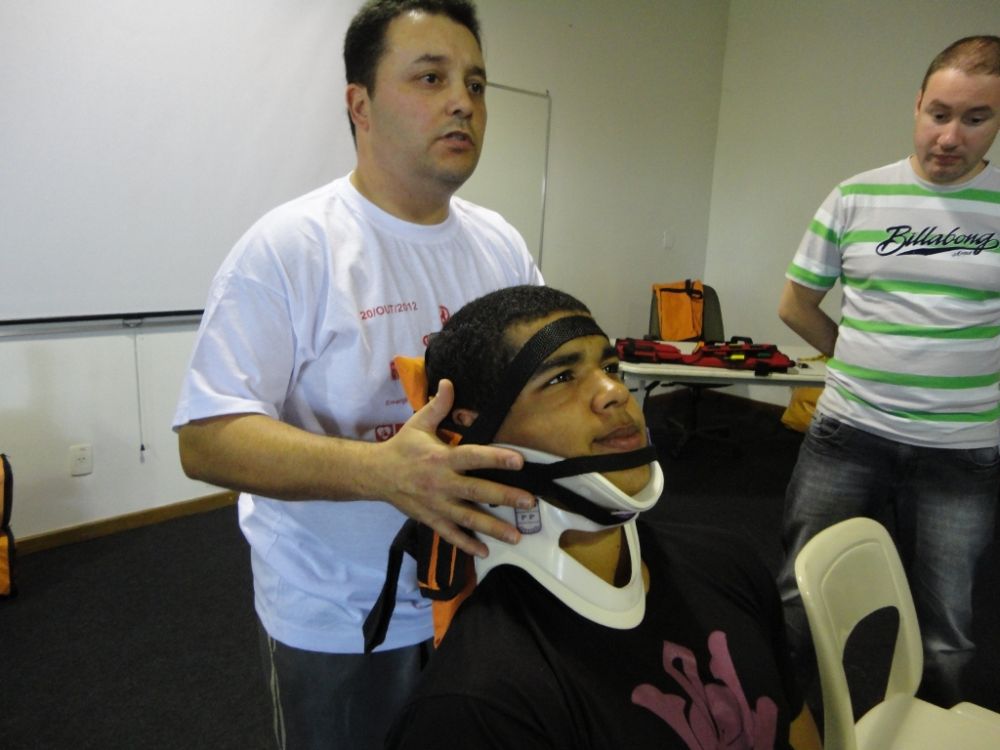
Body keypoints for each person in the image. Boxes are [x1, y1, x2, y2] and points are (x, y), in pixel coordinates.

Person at [171, 1, 543, 748]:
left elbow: (542, 383)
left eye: (475, 84)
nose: (463, 102)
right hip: (339, 617)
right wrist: (382, 473)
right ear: (360, 104)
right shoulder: (289, 249)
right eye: (431, 78)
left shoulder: (500, 245)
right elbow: (206, 438)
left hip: (487, 586)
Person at [385, 285, 821, 750]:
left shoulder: (731, 563)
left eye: (610, 368)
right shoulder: (477, 704)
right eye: (560, 378)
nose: (615, 392)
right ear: (474, 429)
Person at [776, 35, 1000, 708]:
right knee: (799, 593)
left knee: (948, 628)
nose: (950, 137)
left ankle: (933, 732)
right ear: (917, 105)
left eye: (976, 118)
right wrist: (856, 356)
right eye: (939, 113)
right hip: (848, 432)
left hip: (962, 450)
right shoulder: (855, 196)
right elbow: (796, 304)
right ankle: (785, 720)